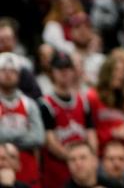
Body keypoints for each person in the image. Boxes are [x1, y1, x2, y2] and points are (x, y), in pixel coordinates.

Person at [40, 52, 97, 188]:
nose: (64, 73)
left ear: (73, 71)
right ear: (52, 72)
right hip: (57, 168)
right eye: (59, 69)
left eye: (67, 68)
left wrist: (90, 157)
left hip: (83, 165)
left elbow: (91, 132)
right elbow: (50, 141)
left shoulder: (83, 100)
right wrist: (75, 159)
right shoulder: (45, 104)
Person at [0, 53, 43, 187]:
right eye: (3, 70)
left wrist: (6, 138)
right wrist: (23, 133)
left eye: (12, 71)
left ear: (19, 75)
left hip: (28, 170)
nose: (8, 74)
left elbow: (39, 138)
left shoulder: (29, 103)